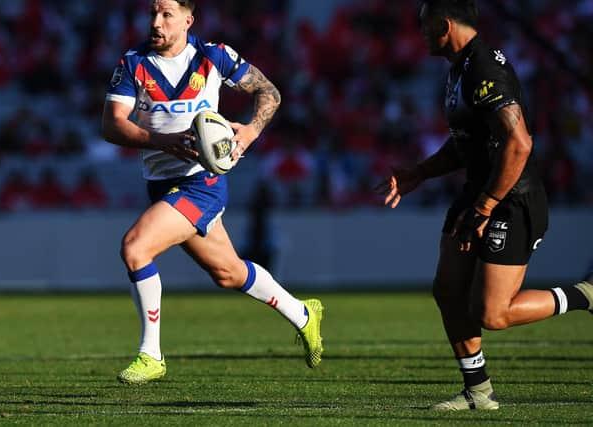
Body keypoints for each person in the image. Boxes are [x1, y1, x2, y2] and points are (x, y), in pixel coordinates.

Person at [376, 0, 593, 411]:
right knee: (448, 290)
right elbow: (466, 143)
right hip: (480, 192)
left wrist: (486, 207)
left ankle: (586, 294)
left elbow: (520, 142)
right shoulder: (460, 68)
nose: (420, 35)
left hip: (512, 200)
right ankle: (478, 392)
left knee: (493, 314)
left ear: (444, 25)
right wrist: (420, 172)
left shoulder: (484, 69)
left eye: (424, 27)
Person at [101, 0, 323, 385]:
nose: (156, 22)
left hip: (201, 183)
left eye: (166, 14)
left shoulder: (214, 57)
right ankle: (303, 313)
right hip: (162, 186)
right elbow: (112, 126)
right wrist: (165, 141)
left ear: (188, 20)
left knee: (136, 247)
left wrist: (251, 132)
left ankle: (151, 354)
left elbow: (269, 92)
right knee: (228, 272)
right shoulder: (133, 63)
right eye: (153, 13)